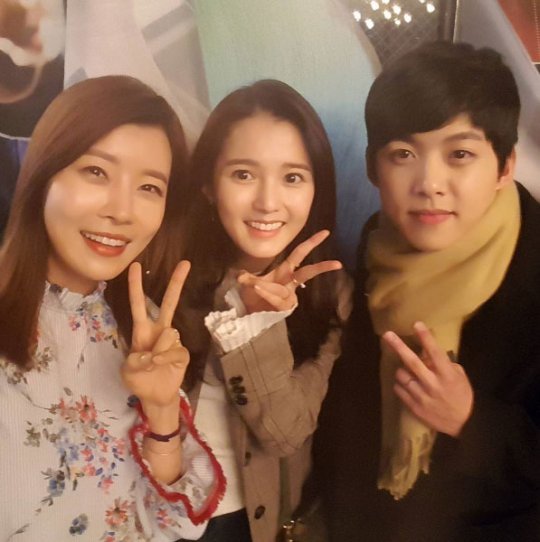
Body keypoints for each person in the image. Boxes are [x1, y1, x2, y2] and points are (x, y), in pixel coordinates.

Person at [315, 41, 540, 541]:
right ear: (373, 168)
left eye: (460, 154)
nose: (430, 183)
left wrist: (469, 421)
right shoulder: (377, 246)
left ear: (505, 166)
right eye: (404, 155)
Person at [0, 75, 225, 541]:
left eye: (149, 187)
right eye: (96, 172)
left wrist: (162, 411)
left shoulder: (140, 325)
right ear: (44, 172)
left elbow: (179, 525)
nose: (123, 211)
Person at [179, 79, 352, 542]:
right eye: (243, 175)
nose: (268, 202)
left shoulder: (330, 292)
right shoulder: (170, 274)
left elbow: (284, 433)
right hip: (159, 514)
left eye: (292, 177)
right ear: (208, 184)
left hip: (251, 524)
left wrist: (256, 326)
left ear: (316, 188)